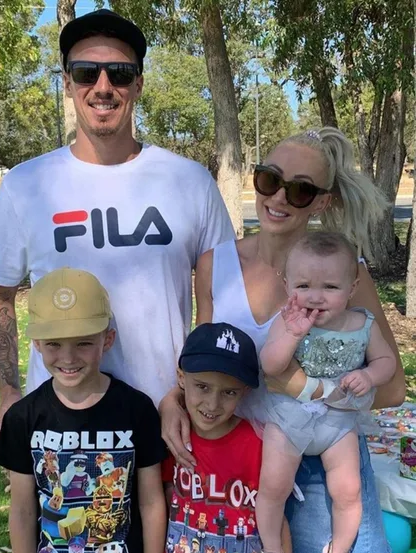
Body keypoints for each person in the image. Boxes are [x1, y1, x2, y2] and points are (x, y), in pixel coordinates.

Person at [0, 8, 234, 435]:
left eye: (120, 74)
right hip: (58, 429)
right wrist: (8, 395)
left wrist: (191, 392)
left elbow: (221, 301)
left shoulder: (189, 182)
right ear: (68, 82)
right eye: (86, 72)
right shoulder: (26, 185)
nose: (103, 87)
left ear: (139, 84)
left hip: (166, 423)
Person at [162, 127, 405, 553]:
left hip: (320, 460)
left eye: (301, 191)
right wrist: (172, 400)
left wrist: (304, 388)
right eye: (270, 180)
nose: (278, 198)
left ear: (323, 201)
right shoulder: (214, 264)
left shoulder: (347, 276)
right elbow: (203, 360)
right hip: (236, 461)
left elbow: (393, 388)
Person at [0, 268, 167, 553]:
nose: (68, 357)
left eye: (83, 342)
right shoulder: (23, 417)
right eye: (53, 344)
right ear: (37, 344)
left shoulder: (137, 409)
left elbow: (151, 502)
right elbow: (22, 510)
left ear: (107, 340)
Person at [255, 232, 395, 553]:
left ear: (352, 289)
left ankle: (339, 547)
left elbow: (387, 362)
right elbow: (271, 366)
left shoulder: (363, 323)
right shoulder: (288, 320)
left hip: (339, 421)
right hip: (289, 417)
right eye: (304, 286)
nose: (316, 297)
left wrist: (369, 374)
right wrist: (292, 334)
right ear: (288, 285)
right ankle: (273, 545)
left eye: (330, 287)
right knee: (274, 486)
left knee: (348, 490)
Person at [162, 322, 291, 553]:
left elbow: (278, 520)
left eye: (228, 392)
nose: (213, 404)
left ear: (245, 391)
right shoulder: (174, 436)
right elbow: (164, 498)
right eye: (202, 386)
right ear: (181, 378)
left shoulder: (260, 444)